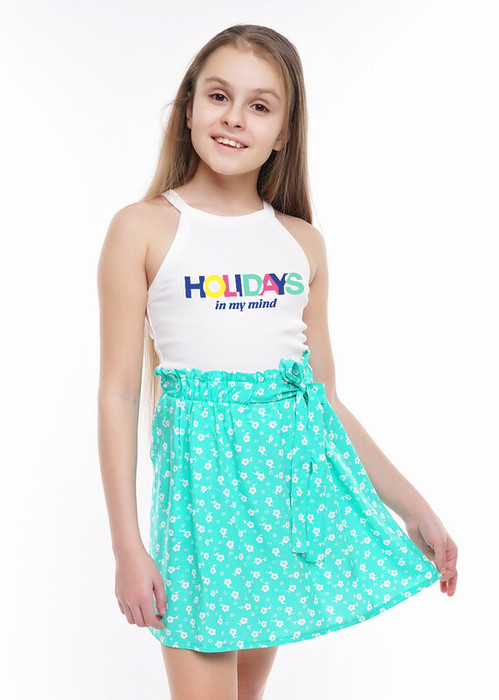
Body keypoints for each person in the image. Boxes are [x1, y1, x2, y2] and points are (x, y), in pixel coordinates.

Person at [97, 23, 458, 700]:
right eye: (218, 96)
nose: (234, 118)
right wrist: (127, 545)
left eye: (259, 106)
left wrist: (415, 511)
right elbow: (119, 392)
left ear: (284, 132)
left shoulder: (301, 244)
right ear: (188, 108)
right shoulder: (142, 228)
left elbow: (323, 402)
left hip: (285, 509)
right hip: (199, 515)